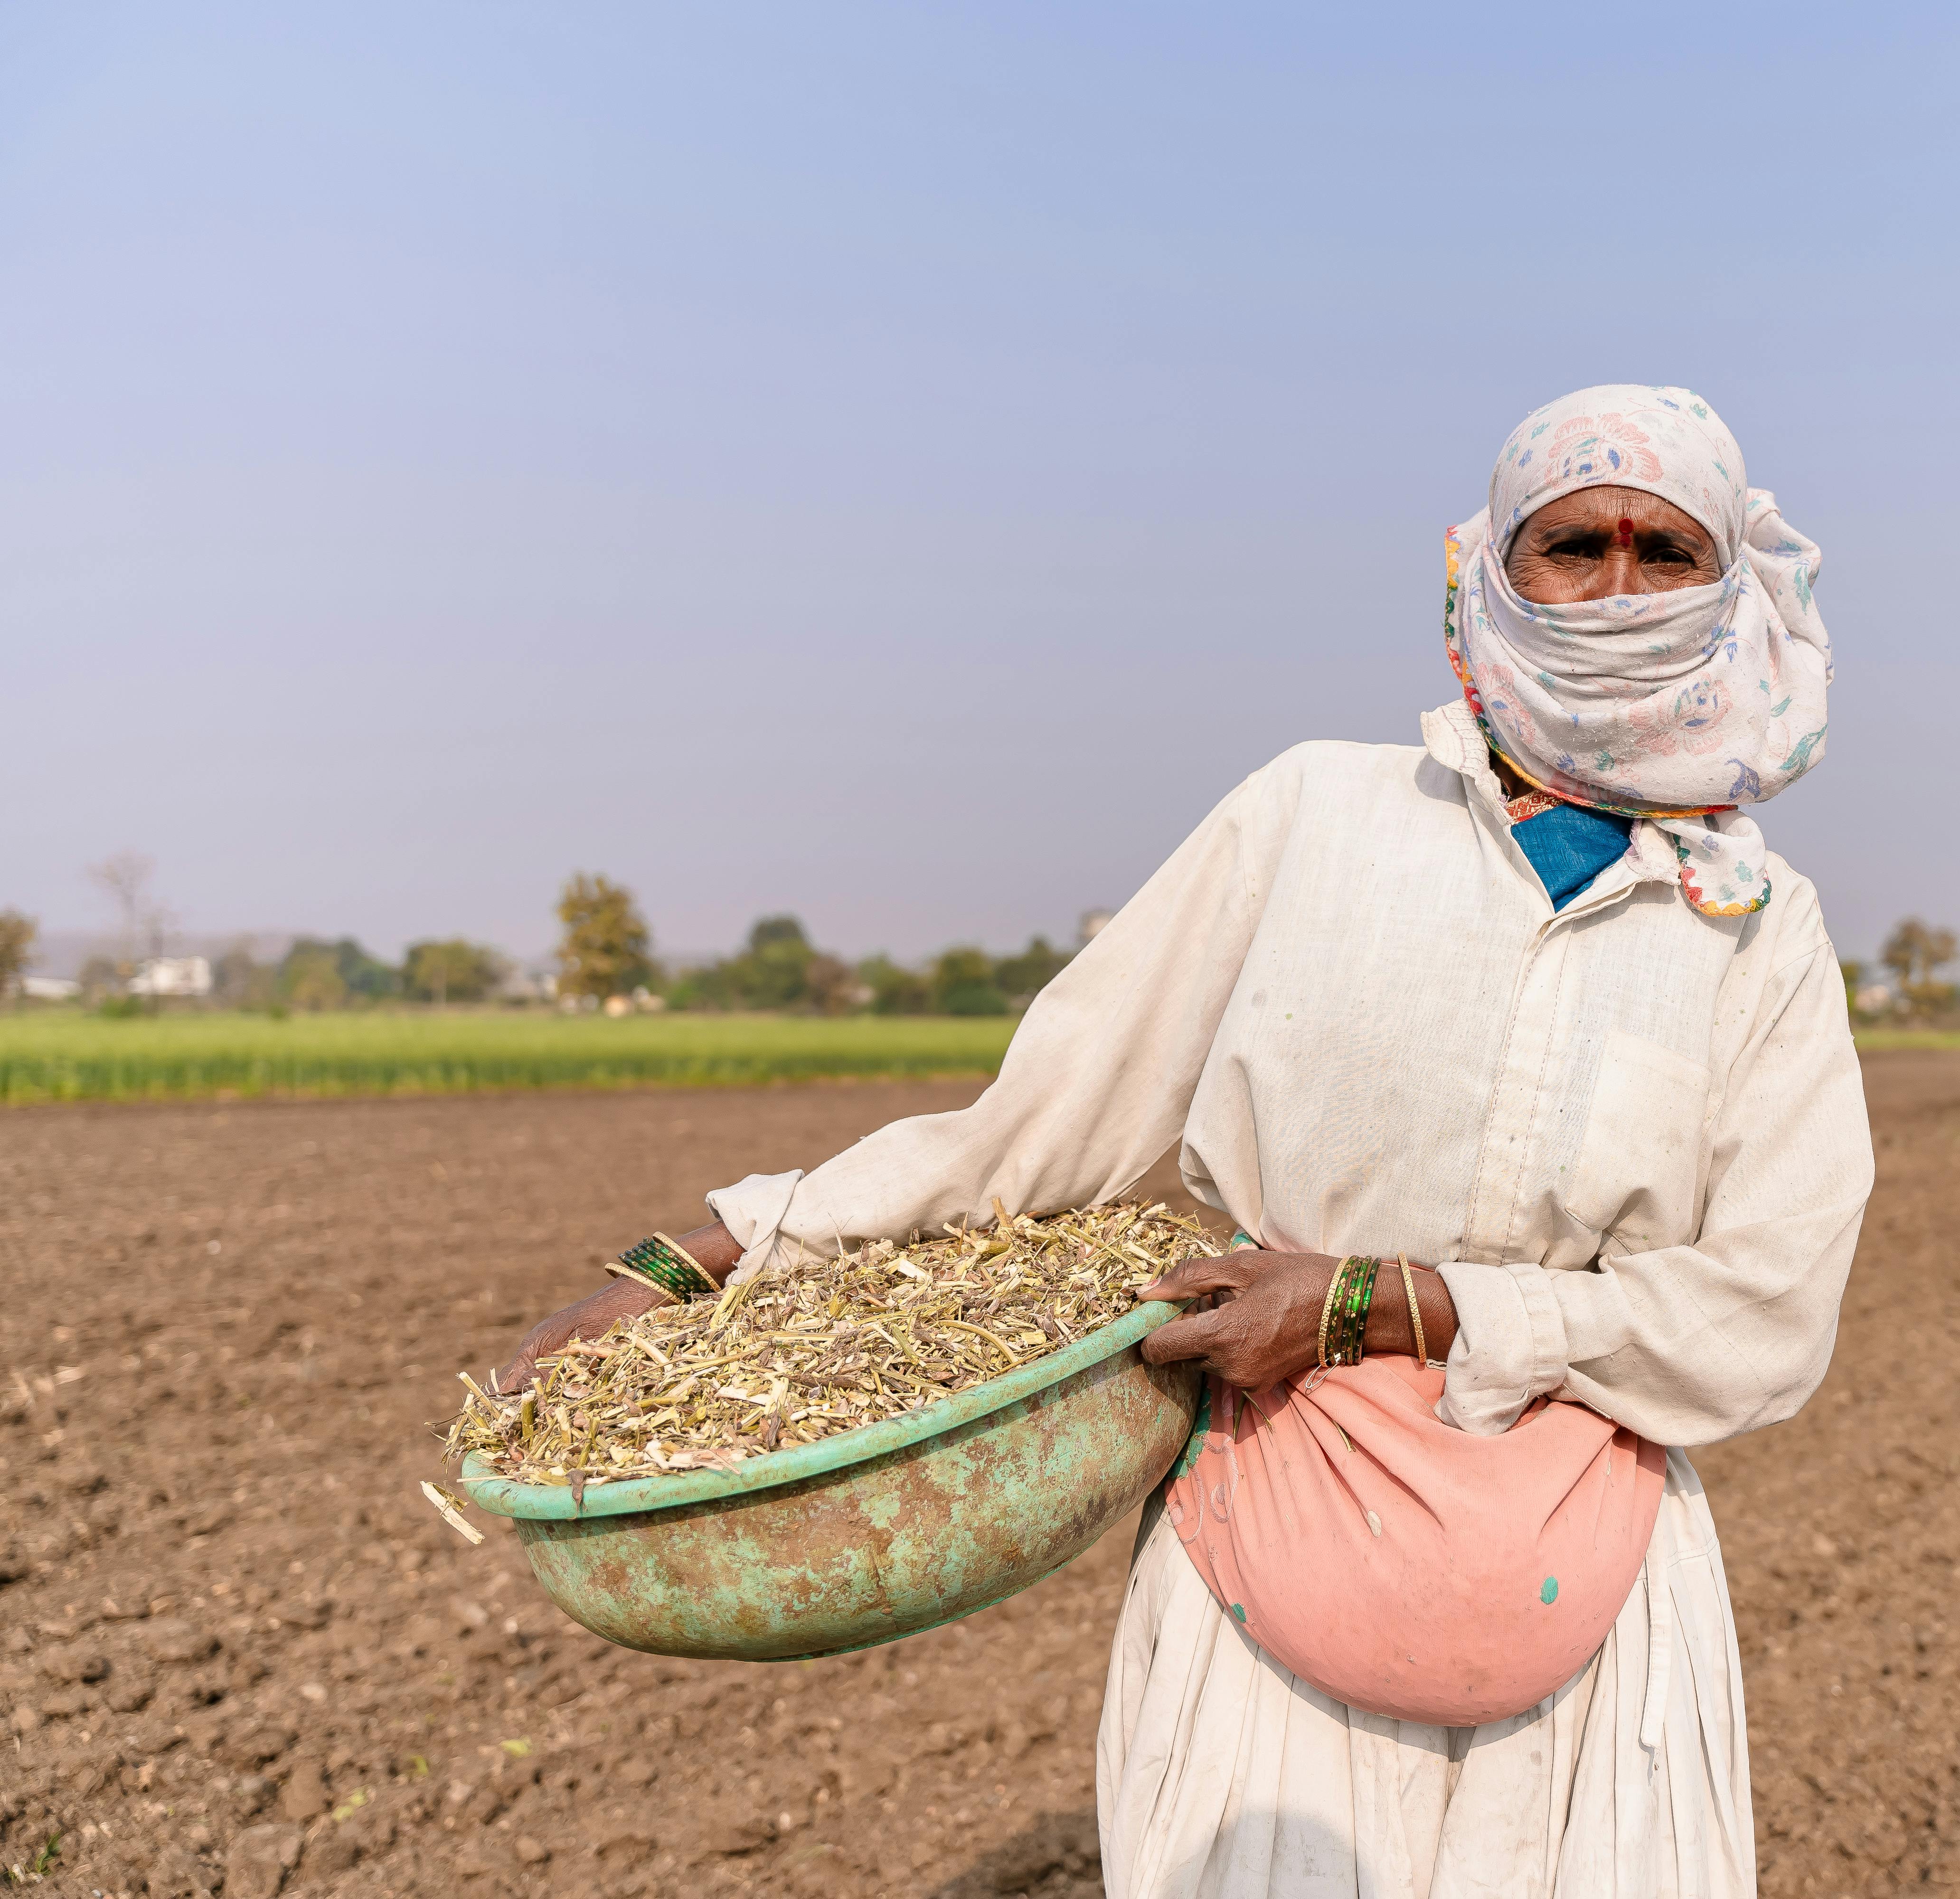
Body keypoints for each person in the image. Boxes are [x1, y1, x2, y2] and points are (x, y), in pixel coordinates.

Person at [501, 384, 1873, 1896]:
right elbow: (1038, 1130)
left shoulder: (1756, 929)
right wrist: (711, 1254)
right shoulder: (1316, 819)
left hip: (1592, 1609)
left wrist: (1382, 1302)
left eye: (1662, 554)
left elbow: (1767, 1313)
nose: (1614, 592)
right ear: (1490, 570)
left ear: (1729, 591)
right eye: (1573, 547)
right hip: (1262, 1549)